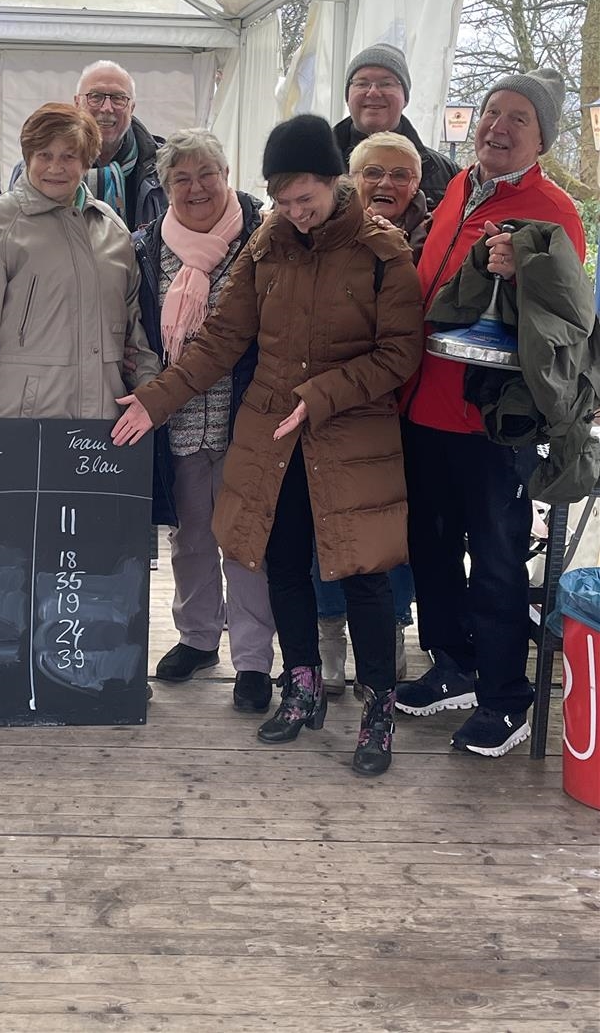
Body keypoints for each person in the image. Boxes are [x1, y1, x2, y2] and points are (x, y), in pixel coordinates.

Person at [113, 115, 424, 777]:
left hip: (351, 435)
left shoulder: (381, 250)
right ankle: (302, 681)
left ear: (334, 182)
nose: (294, 213)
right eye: (281, 201)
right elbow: (222, 339)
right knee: (280, 560)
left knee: (363, 574)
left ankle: (377, 706)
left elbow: (400, 353)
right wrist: (156, 399)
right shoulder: (267, 245)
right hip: (273, 434)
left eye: (304, 199)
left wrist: (326, 394)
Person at [397, 68, 587, 758]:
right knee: (432, 545)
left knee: (500, 558)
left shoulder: (552, 210)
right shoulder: (457, 186)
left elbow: (568, 316)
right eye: (491, 112)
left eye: (518, 119)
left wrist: (526, 270)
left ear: (541, 137)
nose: (497, 128)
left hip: (493, 421)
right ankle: (454, 663)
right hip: (426, 404)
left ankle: (506, 695)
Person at [134, 129, 276, 713]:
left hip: (248, 415)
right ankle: (197, 636)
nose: (195, 188)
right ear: (165, 188)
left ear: (228, 173)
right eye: (180, 179)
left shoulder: (267, 239)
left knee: (247, 543)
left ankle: (253, 660)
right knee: (190, 536)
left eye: (206, 174)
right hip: (180, 416)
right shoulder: (146, 248)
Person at [0, 102, 160, 420]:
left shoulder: (110, 228)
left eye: (68, 156)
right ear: (28, 157)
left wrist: (148, 395)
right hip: (19, 424)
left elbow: (135, 327)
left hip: (101, 426)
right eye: (44, 155)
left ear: (86, 161)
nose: (55, 168)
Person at [316, 130, 426, 694]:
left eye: (400, 174)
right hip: (339, 411)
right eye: (373, 172)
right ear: (349, 181)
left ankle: (388, 635)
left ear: (417, 184)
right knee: (329, 524)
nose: (385, 184)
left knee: (391, 530)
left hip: (407, 412)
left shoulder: (432, 239)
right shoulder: (323, 236)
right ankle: (330, 632)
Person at [9, 61, 167, 230]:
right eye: (95, 97)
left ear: (132, 108)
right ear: (77, 103)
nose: (107, 108)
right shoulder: (31, 169)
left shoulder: (163, 168)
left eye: (118, 98)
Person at [334, 44, 459, 209]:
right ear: (347, 96)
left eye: (386, 84)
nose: (373, 92)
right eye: (362, 83)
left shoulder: (444, 174)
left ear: (405, 98)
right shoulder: (313, 162)